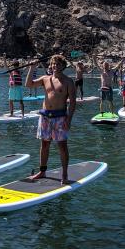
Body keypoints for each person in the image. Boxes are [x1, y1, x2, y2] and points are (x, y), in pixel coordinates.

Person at [26, 54, 76, 185]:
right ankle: (42, 171)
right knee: (44, 145)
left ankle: (64, 174)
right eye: (53, 64)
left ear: (63, 66)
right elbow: (28, 84)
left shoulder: (68, 82)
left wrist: (68, 120)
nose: (55, 66)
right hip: (45, 117)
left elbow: (73, 103)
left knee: (62, 146)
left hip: (60, 118)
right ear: (51, 66)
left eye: (58, 64)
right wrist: (32, 68)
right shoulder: (45, 79)